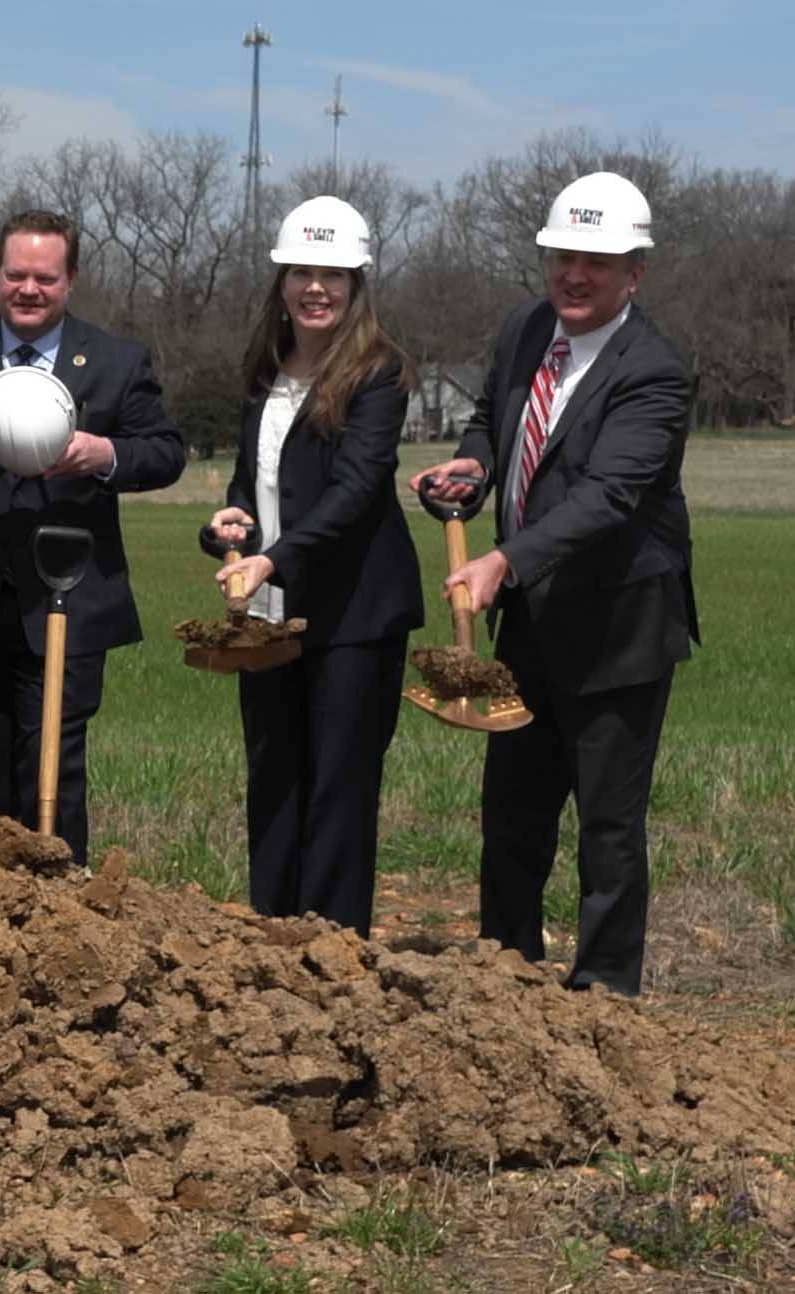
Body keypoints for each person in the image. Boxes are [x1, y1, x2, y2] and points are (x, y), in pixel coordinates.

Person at [413, 171, 695, 997]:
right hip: (531, 622)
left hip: (619, 628)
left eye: (595, 263)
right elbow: (489, 417)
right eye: (561, 257)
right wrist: (476, 464)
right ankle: (506, 982)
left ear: (633, 273)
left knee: (607, 828)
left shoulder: (655, 372)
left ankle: (604, 996)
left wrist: (505, 559)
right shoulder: (527, 329)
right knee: (513, 816)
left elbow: (608, 496)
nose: (573, 275)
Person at [0, 209, 188, 865]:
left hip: (70, 597)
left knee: (55, 769)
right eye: (16, 275)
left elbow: (167, 451)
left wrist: (102, 452)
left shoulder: (115, 360)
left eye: (45, 279)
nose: (29, 290)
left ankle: (60, 912)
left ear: (71, 279)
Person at [205, 196, 420, 935]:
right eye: (302, 271)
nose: (315, 287)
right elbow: (255, 478)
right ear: (282, 281)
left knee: (338, 790)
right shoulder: (266, 368)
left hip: (355, 615)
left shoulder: (378, 373)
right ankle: (272, 940)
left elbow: (356, 491)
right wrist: (229, 525)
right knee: (273, 780)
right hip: (271, 614)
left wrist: (271, 558)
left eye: (333, 273)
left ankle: (331, 959)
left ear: (357, 284)